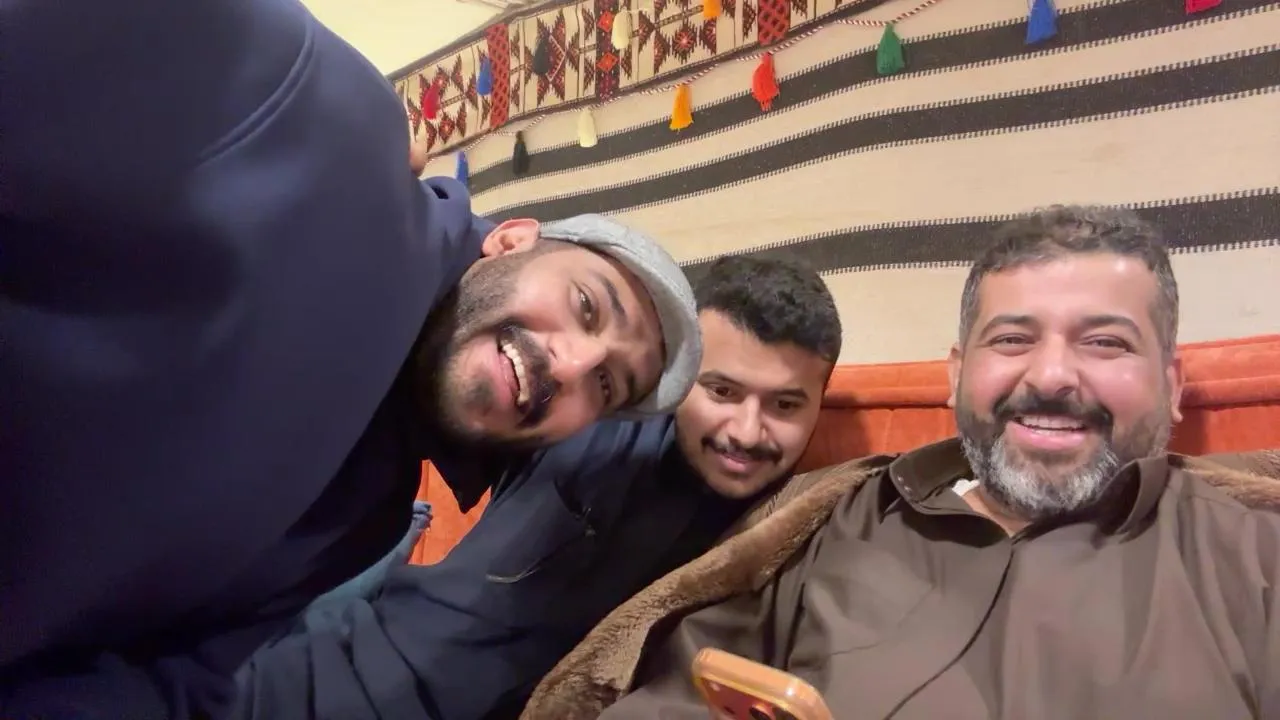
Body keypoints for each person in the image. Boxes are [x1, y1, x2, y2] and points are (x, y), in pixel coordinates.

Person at [0, 1, 700, 717]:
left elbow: (171, 677)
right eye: (586, 305)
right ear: (511, 239)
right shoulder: (316, 119)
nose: (570, 364)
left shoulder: (370, 517)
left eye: (606, 385)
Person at [519, 205, 1280, 719]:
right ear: (958, 374)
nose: (1051, 375)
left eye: (1105, 342)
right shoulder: (840, 522)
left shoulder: (1252, 559)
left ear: (1172, 385)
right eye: (1013, 339)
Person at [231, 255, 843, 719]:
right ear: (683, 382)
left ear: (820, 402)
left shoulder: (789, 533)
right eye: (722, 391)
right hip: (314, 673)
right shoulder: (588, 410)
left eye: (785, 405)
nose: (746, 431)